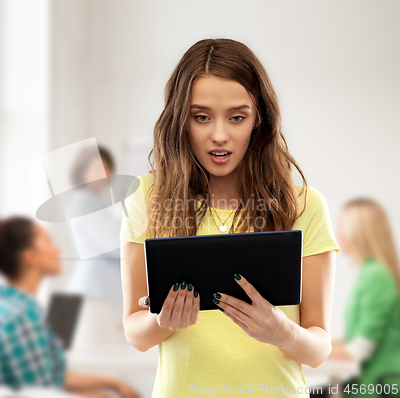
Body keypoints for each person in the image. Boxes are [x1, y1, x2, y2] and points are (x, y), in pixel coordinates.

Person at [120, 38, 340, 398]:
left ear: (258, 120)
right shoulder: (146, 198)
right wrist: (162, 322)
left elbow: (319, 347)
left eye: (237, 117)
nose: (219, 136)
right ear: (181, 120)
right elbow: (134, 331)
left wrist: (283, 333)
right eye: (201, 117)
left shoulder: (303, 205)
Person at [0, 215, 140, 398]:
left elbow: (50, 376)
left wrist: (112, 383)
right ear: (30, 257)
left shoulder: (2, 307)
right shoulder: (22, 316)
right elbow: (41, 392)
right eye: (47, 241)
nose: (57, 248)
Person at [328, 198, 400, 398]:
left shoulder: (376, 276)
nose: (338, 234)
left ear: (359, 233)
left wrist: (305, 350)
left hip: (379, 385)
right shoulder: (369, 273)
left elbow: (360, 349)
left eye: (342, 226)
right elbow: (355, 339)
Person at [65, 145, 127, 348]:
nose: (105, 173)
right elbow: (115, 247)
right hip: (94, 295)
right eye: (97, 168)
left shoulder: (95, 203)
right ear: (83, 172)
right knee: (98, 363)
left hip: (99, 293)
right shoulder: (85, 203)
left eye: (107, 167)